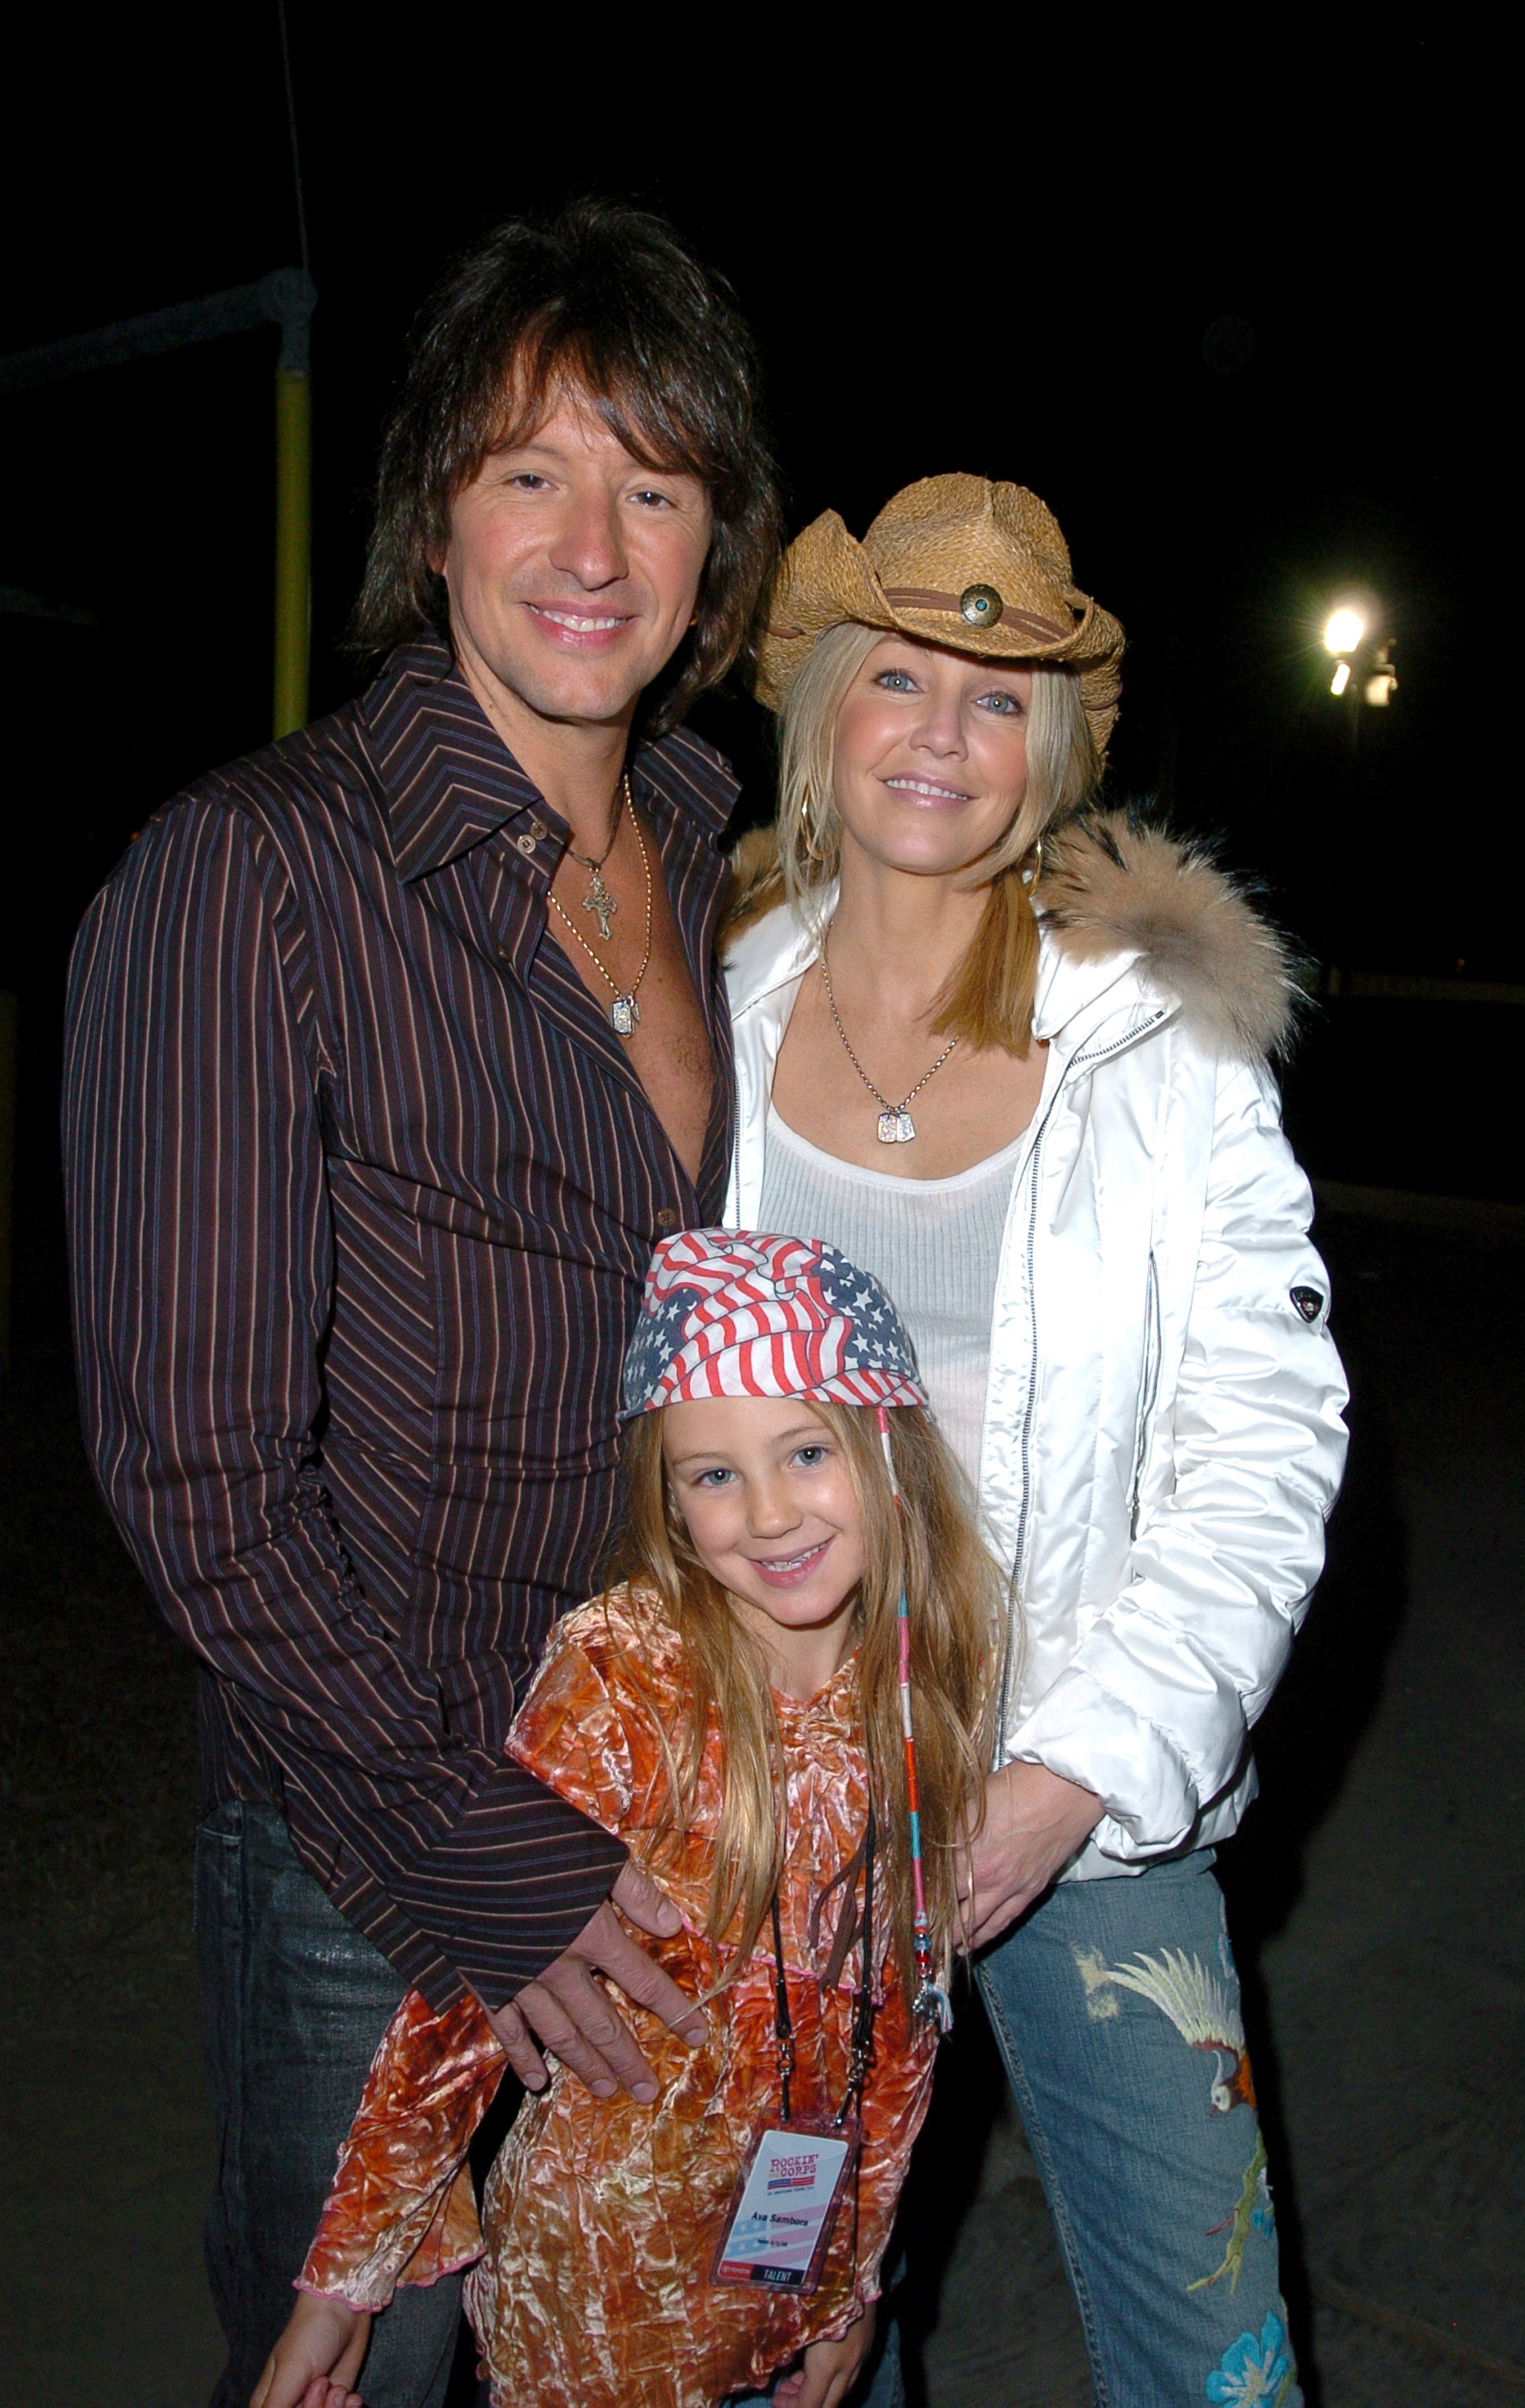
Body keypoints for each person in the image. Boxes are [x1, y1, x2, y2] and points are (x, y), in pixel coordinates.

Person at [62, 201, 781, 2408]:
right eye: (526, 470)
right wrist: (483, 1863)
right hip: (368, 1841)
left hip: (666, 1805)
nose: (593, 540)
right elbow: (194, 1469)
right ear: (434, 517)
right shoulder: (247, 873)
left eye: (651, 484)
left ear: (711, 548)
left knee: (620, 2350)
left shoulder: (710, 865)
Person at [721, 475, 1350, 2406]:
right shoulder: (713, 1007)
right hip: (779, 1797)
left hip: (1085, 1793)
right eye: (899, 676)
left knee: (1214, 2359)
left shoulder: (1161, 1045)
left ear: (1052, 749)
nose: (942, 735)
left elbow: (1264, 1444)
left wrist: (1073, 1777)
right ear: (823, 707)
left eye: (998, 697)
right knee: (782, 2344)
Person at [249, 1230, 998, 2408]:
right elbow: (460, 2004)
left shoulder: (922, 1678)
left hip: (789, 2304)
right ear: (666, 1495)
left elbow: (900, 2026)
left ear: (886, 1442)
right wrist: (342, 2284)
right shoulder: (625, 1675)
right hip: (594, 2325)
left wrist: (853, 2283)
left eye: (805, 1451)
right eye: (712, 1475)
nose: (766, 1514)